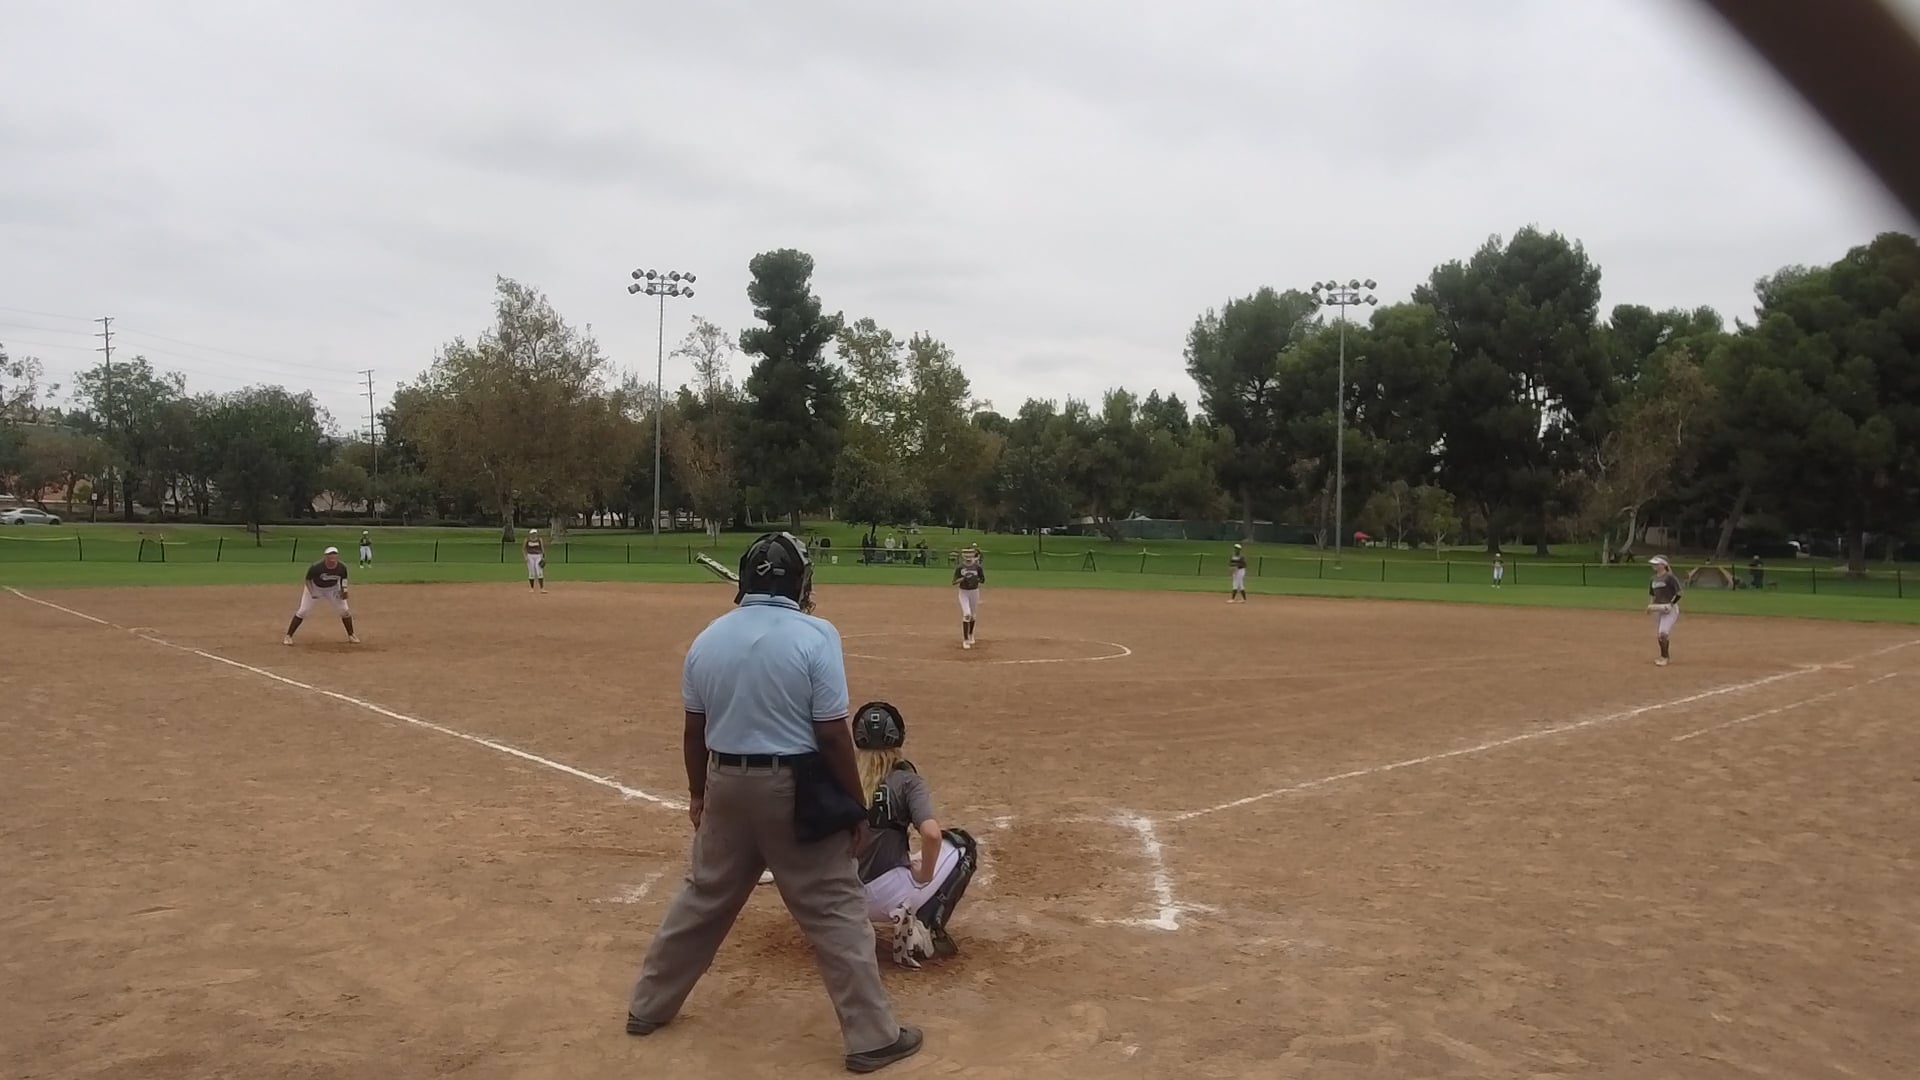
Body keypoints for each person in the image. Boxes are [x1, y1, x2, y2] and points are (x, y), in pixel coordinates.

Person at [624, 532, 921, 1074]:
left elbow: (694, 731)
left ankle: (648, 1006)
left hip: (725, 782)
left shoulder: (708, 637)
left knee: (703, 897)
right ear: (800, 582)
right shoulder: (817, 635)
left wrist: (698, 793)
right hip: (794, 789)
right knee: (834, 909)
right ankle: (873, 1037)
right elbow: (832, 734)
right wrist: (855, 807)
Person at [852, 701, 979, 969]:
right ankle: (924, 928)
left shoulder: (842, 778)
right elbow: (931, 834)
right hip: (887, 896)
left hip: (843, 896)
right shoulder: (907, 781)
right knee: (962, 844)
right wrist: (925, 874)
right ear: (899, 736)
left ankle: (838, 929)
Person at [285, 546, 358, 645]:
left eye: (334, 554)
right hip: (315, 587)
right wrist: (312, 592)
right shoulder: (317, 567)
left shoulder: (342, 567)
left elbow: (343, 580)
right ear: (325, 556)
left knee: (344, 611)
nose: (332, 556)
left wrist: (344, 591)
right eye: (330, 554)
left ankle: (351, 635)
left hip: (332, 589)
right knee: (303, 611)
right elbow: (308, 580)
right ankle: (288, 636)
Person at [1647, 555, 1683, 666]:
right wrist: (1650, 606)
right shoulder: (1653, 579)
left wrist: (1671, 604)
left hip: (1669, 609)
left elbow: (1679, 593)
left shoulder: (1670, 577)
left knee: (1663, 633)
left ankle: (1665, 658)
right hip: (1658, 609)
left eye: (1656, 564)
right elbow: (1652, 594)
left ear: (1663, 565)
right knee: (1659, 634)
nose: (1654, 565)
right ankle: (1663, 656)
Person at [953, 546, 985, 649]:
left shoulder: (977, 567)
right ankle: (965, 639)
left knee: (973, 616)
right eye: (966, 555)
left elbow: (982, 580)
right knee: (967, 614)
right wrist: (963, 578)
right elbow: (954, 582)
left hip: (974, 592)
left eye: (970, 554)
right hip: (964, 592)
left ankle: (971, 634)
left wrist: (974, 578)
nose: (968, 557)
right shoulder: (960, 567)